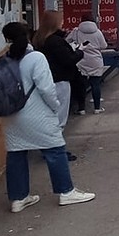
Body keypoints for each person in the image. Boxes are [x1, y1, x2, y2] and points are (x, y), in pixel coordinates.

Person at [0, 21, 95, 212]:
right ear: (28, 35)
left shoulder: (6, 59)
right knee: (55, 150)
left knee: (16, 153)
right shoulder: (35, 58)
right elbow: (46, 88)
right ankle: (66, 192)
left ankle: (18, 198)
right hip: (37, 113)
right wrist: (55, 106)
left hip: (11, 116)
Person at [33, 9, 82, 158]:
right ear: (55, 23)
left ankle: (48, 147)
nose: (62, 22)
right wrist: (80, 53)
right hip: (60, 81)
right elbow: (68, 60)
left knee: (49, 116)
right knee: (59, 118)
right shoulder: (56, 41)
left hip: (45, 81)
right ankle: (56, 151)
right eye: (60, 20)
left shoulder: (38, 39)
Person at [69, 12, 109, 114]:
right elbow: (104, 46)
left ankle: (81, 109)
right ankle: (97, 108)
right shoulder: (98, 32)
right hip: (95, 61)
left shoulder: (76, 32)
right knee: (95, 84)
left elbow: (67, 41)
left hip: (81, 60)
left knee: (81, 86)